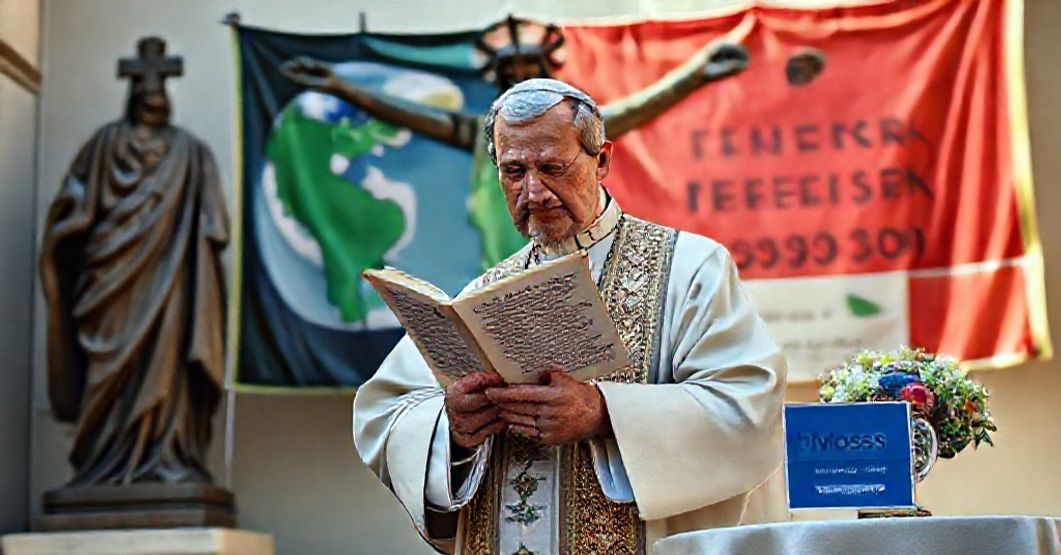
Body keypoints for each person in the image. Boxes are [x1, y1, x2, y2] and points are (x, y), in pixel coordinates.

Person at [353, 78, 786, 554]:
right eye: (514, 171)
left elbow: (747, 407)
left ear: (601, 161)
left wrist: (603, 414)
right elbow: (384, 413)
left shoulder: (691, 268)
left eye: (553, 167)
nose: (534, 192)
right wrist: (452, 428)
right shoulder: (483, 295)